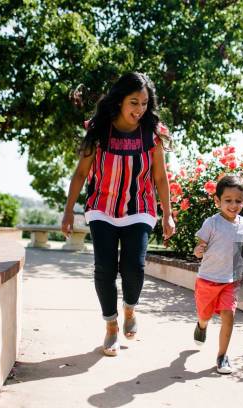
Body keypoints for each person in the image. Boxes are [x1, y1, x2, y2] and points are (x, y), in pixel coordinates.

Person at [62, 72, 175, 357]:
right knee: (105, 268)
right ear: (120, 101)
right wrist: (67, 211)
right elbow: (80, 174)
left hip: (140, 207)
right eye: (133, 102)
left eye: (144, 103)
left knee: (133, 267)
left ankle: (130, 309)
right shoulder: (99, 129)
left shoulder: (153, 133)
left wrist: (168, 215)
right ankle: (111, 326)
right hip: (102, 208)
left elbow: (160, 178)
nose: (139, 109)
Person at [192, 174, 243, 374]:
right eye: (228, 200)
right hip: (208, 279)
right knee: (204, 314)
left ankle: (222, 356)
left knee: (229, 315)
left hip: (231, 280)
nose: (233, 205)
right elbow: (200, 245)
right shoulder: (212, 223)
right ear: (217, 201)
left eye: (238, 201)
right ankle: (201, 325)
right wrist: (199, 250)